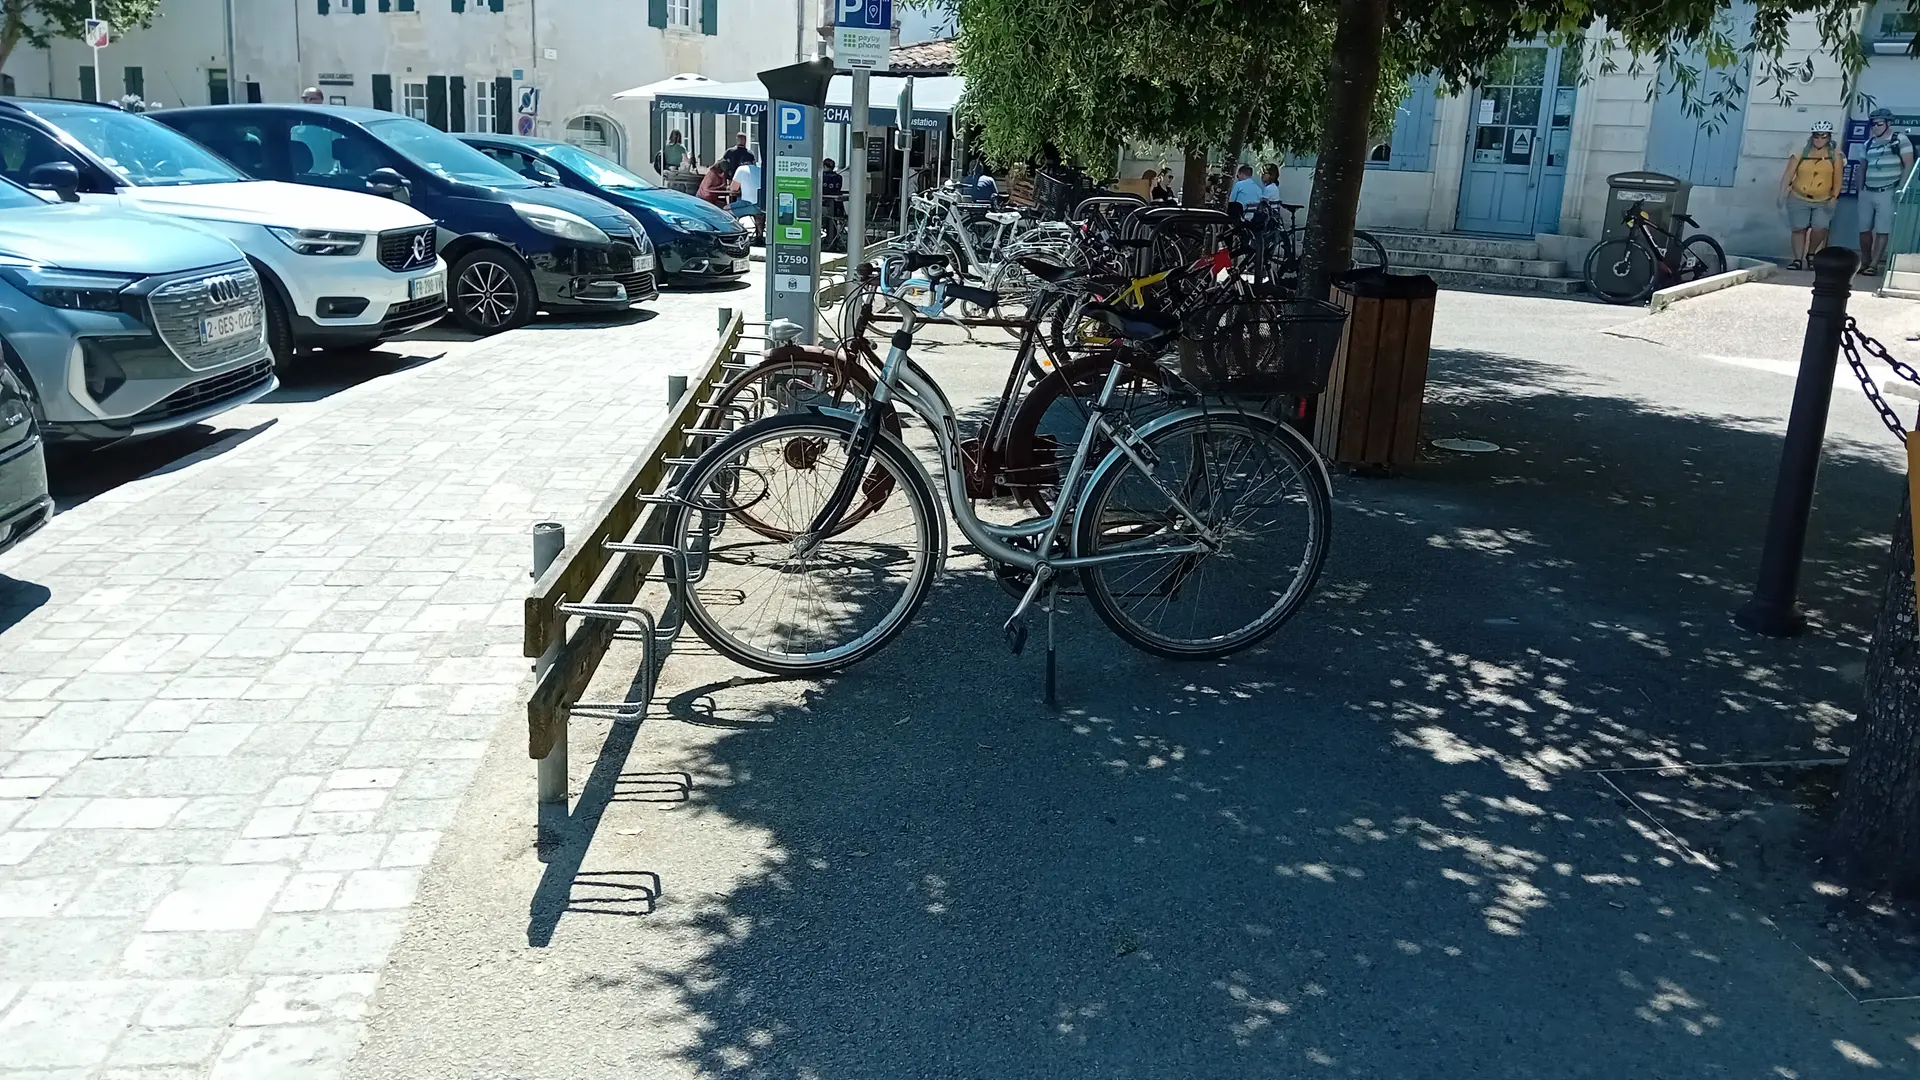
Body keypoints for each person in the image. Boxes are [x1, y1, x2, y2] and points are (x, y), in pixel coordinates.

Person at [1858, 108, 1915, 276]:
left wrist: (1901, 187)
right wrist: (1860, 189)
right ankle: (1865, 260)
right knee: (1864, 229)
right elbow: (1862, 167)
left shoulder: (1900, 140)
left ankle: (1874, 264)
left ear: (1888, 124)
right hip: (1868, 190)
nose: (1875, 127)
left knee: (1883, 229)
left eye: (1879, 124)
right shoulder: (1868, 143)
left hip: (1888, 190)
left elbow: (1908, 164)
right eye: (1872, 124)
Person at [1780, 120, 1842, 271]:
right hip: (1799, 196)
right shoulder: (1801, 153)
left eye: (1823, 136)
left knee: (1820, 227)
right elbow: (1788, 174)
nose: (1819, 139)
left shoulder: (1835, 155)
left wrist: (1834, 197)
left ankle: (1812, 253)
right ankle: (1797, 260)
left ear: (1829, 138)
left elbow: (1838, 178)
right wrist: (1781, 193)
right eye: (1817, 136)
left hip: (1823, 199)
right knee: (1798, 229)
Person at [731, 156, 765, 242]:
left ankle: (733, 235)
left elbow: (734, 188)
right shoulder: (761, 169)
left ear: (742, 163)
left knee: (726, 210)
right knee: (758, 213)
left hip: (749, 204)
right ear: (753, 162)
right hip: (762, 205)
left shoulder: (741, 169)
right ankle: (759, 236)